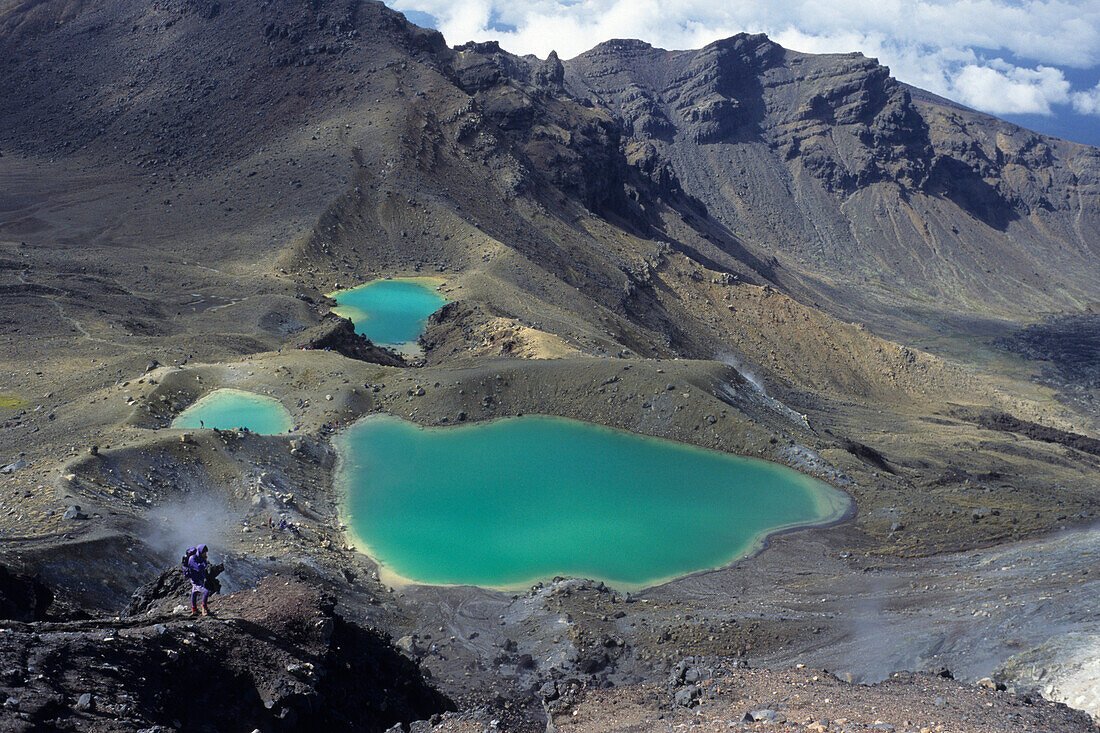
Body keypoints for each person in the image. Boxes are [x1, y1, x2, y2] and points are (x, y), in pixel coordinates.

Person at [182, 544, 212, 616]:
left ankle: (194, 609)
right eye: (204, 552)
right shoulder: (192, 558)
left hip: (199, 578)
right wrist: (204, 562)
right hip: (195, 579)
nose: (205, 554)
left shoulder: (199, 557)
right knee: (206, 592)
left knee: (194, 593)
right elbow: (198, 568)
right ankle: (204, 608)